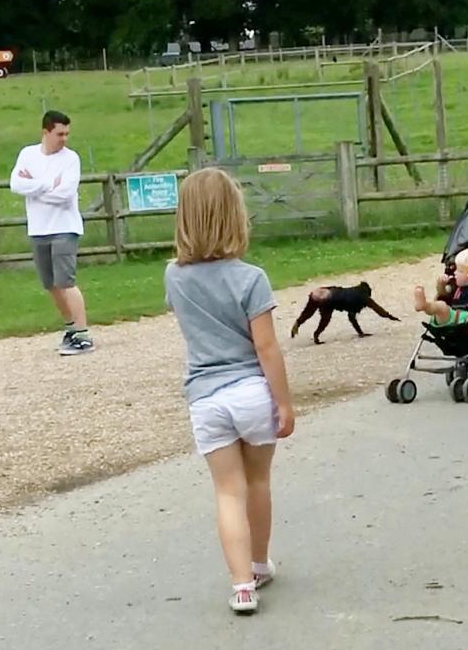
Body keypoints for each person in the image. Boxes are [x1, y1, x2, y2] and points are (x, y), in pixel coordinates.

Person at [165, 168, 295, 615]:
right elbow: (266, 346)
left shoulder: (174, 278)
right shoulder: (251, 278)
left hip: (206, 395)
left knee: (227, 492)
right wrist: (284, 401)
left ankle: (241, 585)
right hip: (251, 392)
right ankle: (259, 562)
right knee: (258, 481)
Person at [9, 110, 93, 355]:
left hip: (64, 227)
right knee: (50, 284)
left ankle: (83, 333)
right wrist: (47, 185)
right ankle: (70, 328)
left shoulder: (71, 159)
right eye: (59, 133)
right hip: (38, 228)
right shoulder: (27, 154)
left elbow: (66, 193)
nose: (64, 138)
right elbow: (16, 184)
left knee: (66, 281)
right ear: (46, 132)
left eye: (67, 133)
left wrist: (34, 188)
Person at [414, 246, 468, 341]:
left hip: (467, 318)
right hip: (450, 315)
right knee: (441, 305)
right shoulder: (455, 286)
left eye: (460, 271)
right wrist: (441, 285)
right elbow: (443, 294)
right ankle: (424, 305)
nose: (455, 272)